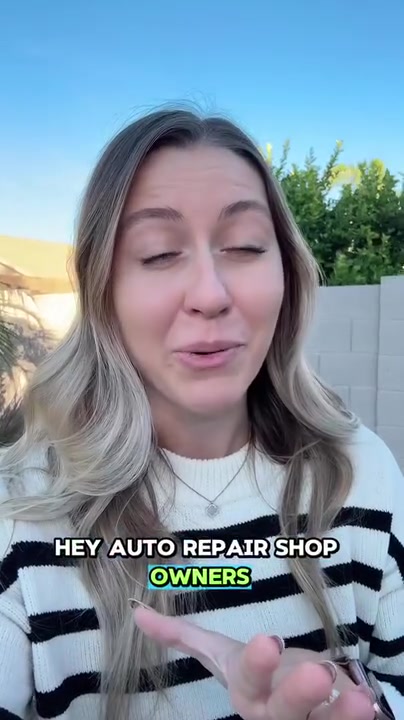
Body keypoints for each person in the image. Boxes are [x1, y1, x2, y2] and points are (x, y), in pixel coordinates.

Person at [0, 107, 402, 720]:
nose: (211, 294)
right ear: (104, 291)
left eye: (245, 246)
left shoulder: (360, 471)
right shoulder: (21, 510)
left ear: (287, 273)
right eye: (159, 253)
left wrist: (359, 706)